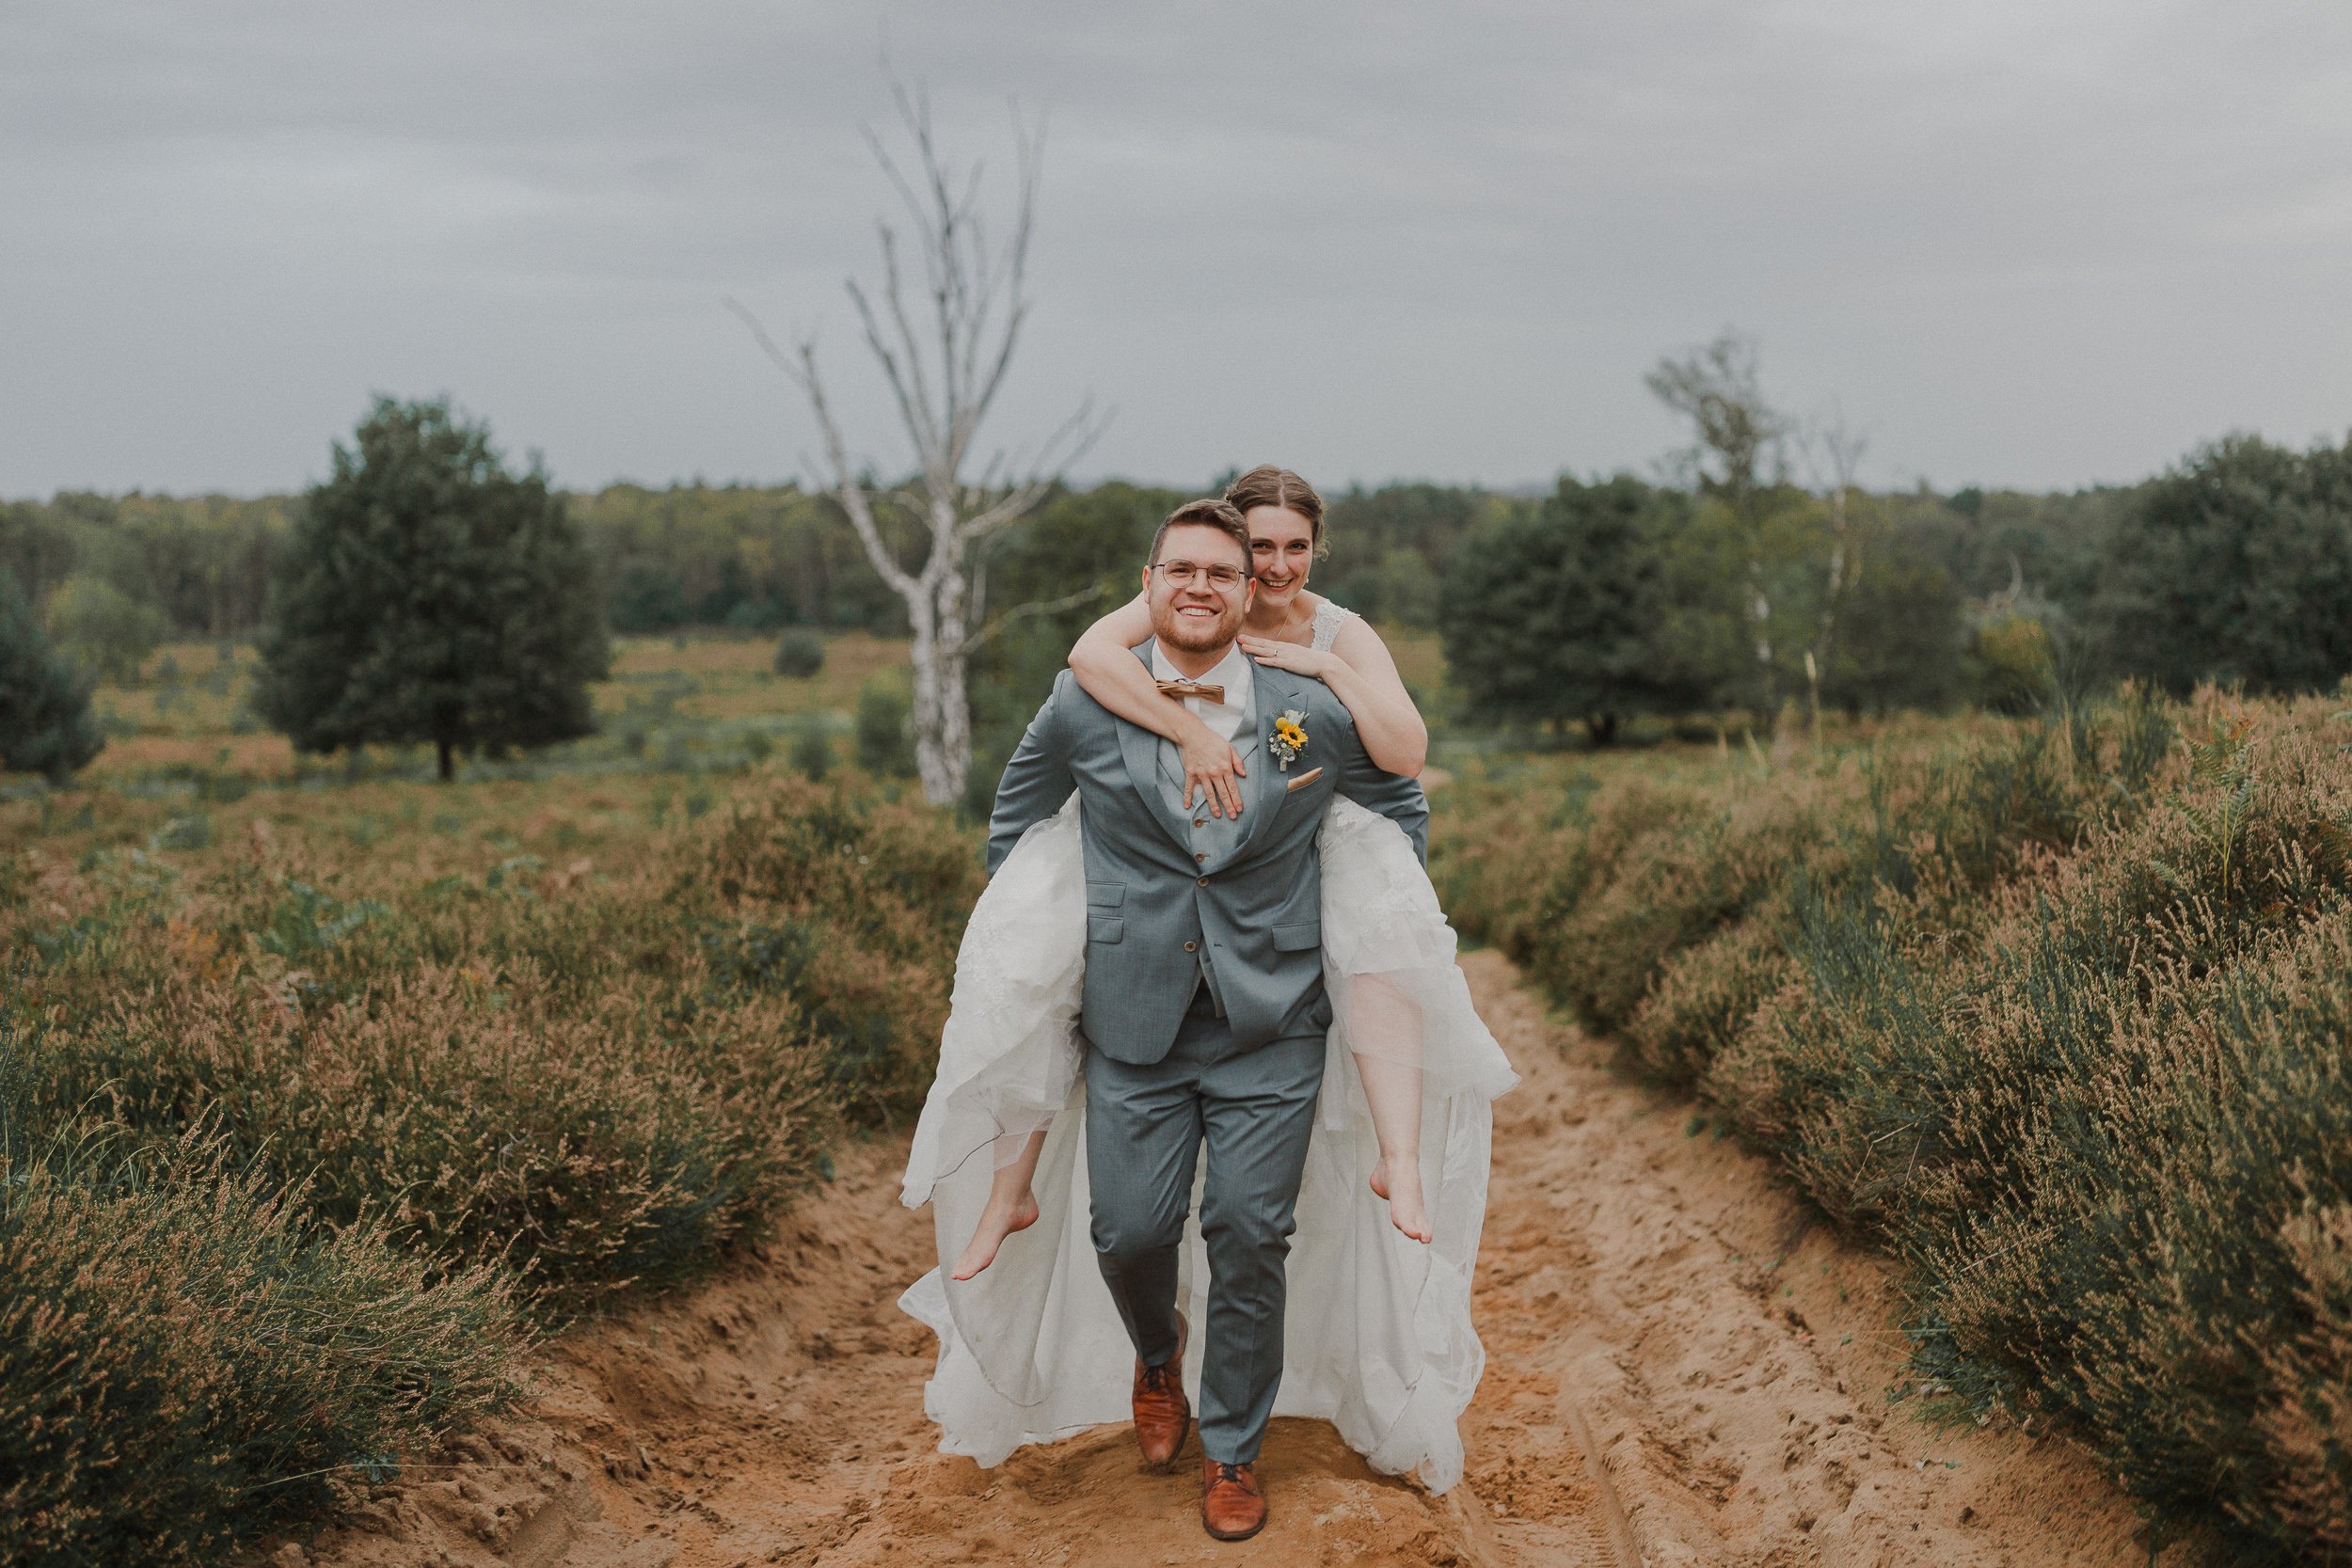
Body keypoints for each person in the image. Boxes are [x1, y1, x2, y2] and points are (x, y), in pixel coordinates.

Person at [898, 486, 1515, 1540]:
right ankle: (1154, 1353)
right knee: (1127, 1228)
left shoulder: (1311, 702)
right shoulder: (1090, 698)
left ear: (1251, 593)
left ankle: (1233, 1448)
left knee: (1247, 1229)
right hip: (1132, 1021)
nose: (1202, 585)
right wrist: (1035, 928)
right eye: (1180, 570)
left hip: (1270, 1021)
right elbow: (1019, 804)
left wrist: (1378, 914)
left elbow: (1398, 794)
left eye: (1223, 574)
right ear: (1149, 587)